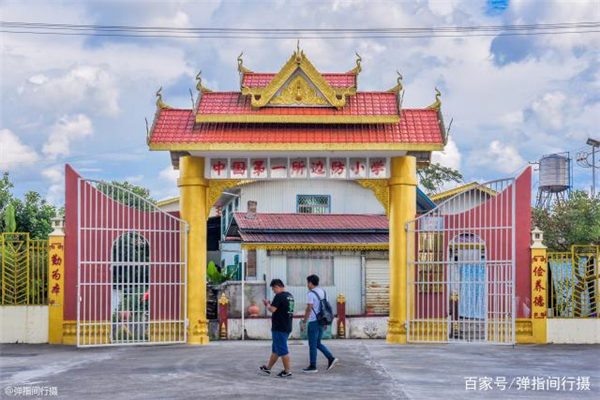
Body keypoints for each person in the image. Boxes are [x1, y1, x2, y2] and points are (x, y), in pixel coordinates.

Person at [301, 274, 339, 373]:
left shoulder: (310, 294)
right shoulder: (323, 292)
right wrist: (325, 322)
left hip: (314, 322)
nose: (307, 285)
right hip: (322, 321)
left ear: (310, 283)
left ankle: (313, 366)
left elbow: (309, 308)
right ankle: (330, 358)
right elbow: (325, 308)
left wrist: (304, 321)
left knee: (312, 344)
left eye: (307, 282)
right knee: (317, 343)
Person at [259, 279, 294, 378]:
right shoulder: (290, 296)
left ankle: (287, 371)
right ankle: (268, 368)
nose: (274, 291)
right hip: (287, 325)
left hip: (279, 327)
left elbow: (272, 309)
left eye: (274, 289)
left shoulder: (279, 296)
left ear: (277, 287)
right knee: (276, 349)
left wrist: (267, 304)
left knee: (282, 349)